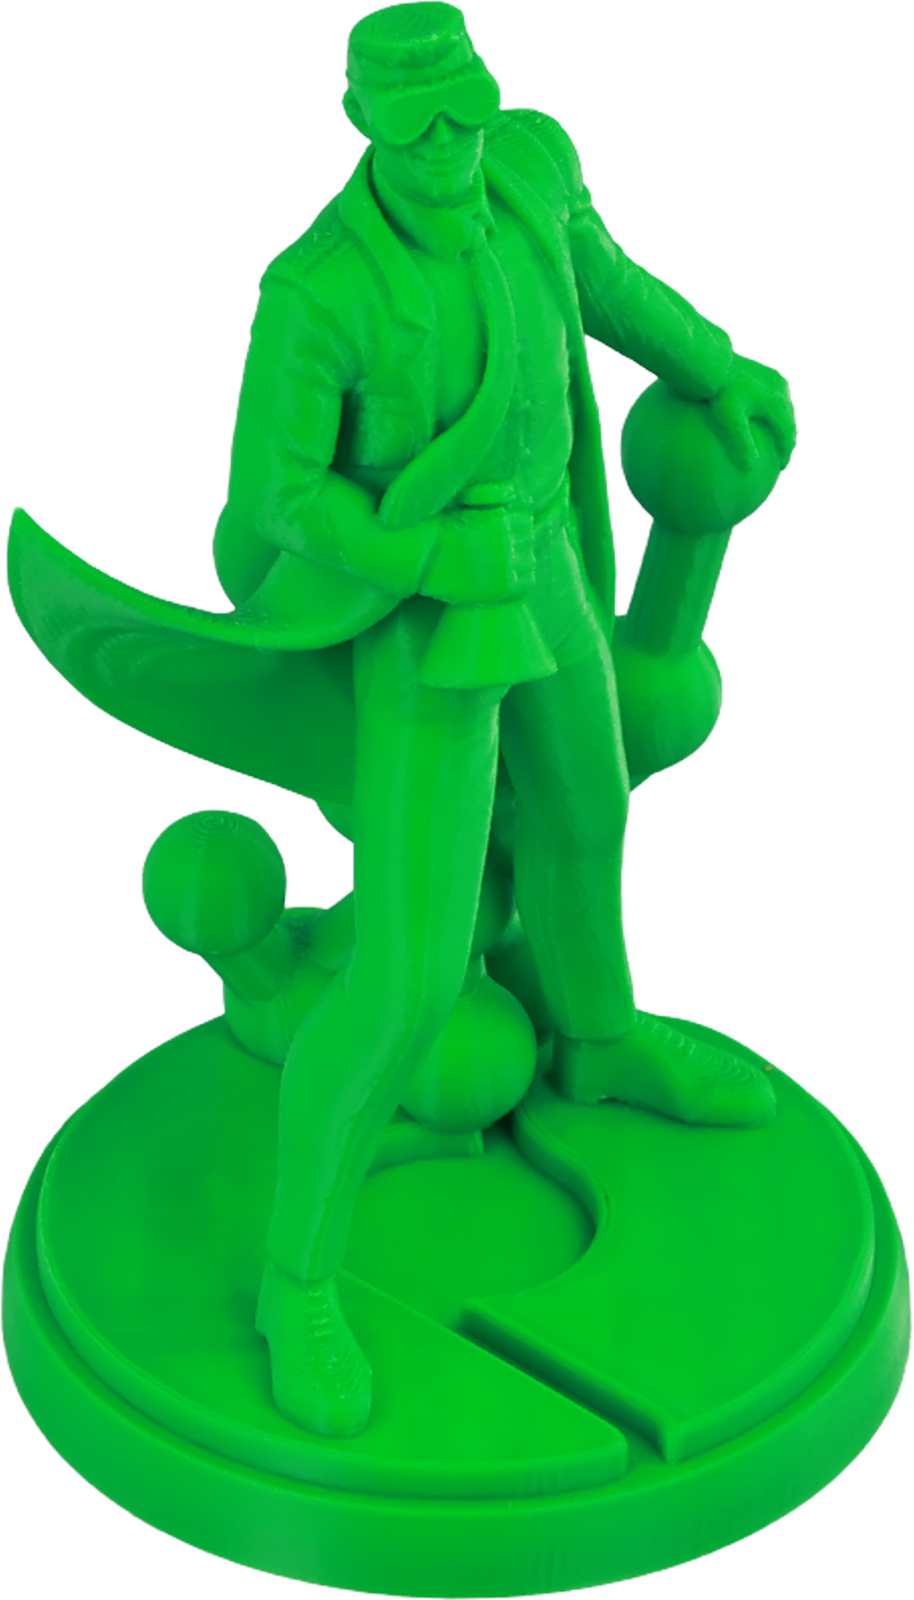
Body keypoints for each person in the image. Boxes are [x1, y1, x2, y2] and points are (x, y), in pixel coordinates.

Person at [216, 1, 798, 1437]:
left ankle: (597, 1041)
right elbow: (277, 498)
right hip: (424, 622)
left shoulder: (530, 168)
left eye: (464, 112)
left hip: (541, 568)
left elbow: (607, 283)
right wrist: (421, 555)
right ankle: (297, 1279)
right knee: (411, 974)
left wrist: (719, 363)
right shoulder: (318, 291)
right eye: (416, 127)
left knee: (587, 816)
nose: (449, 147)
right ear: (362, 123)